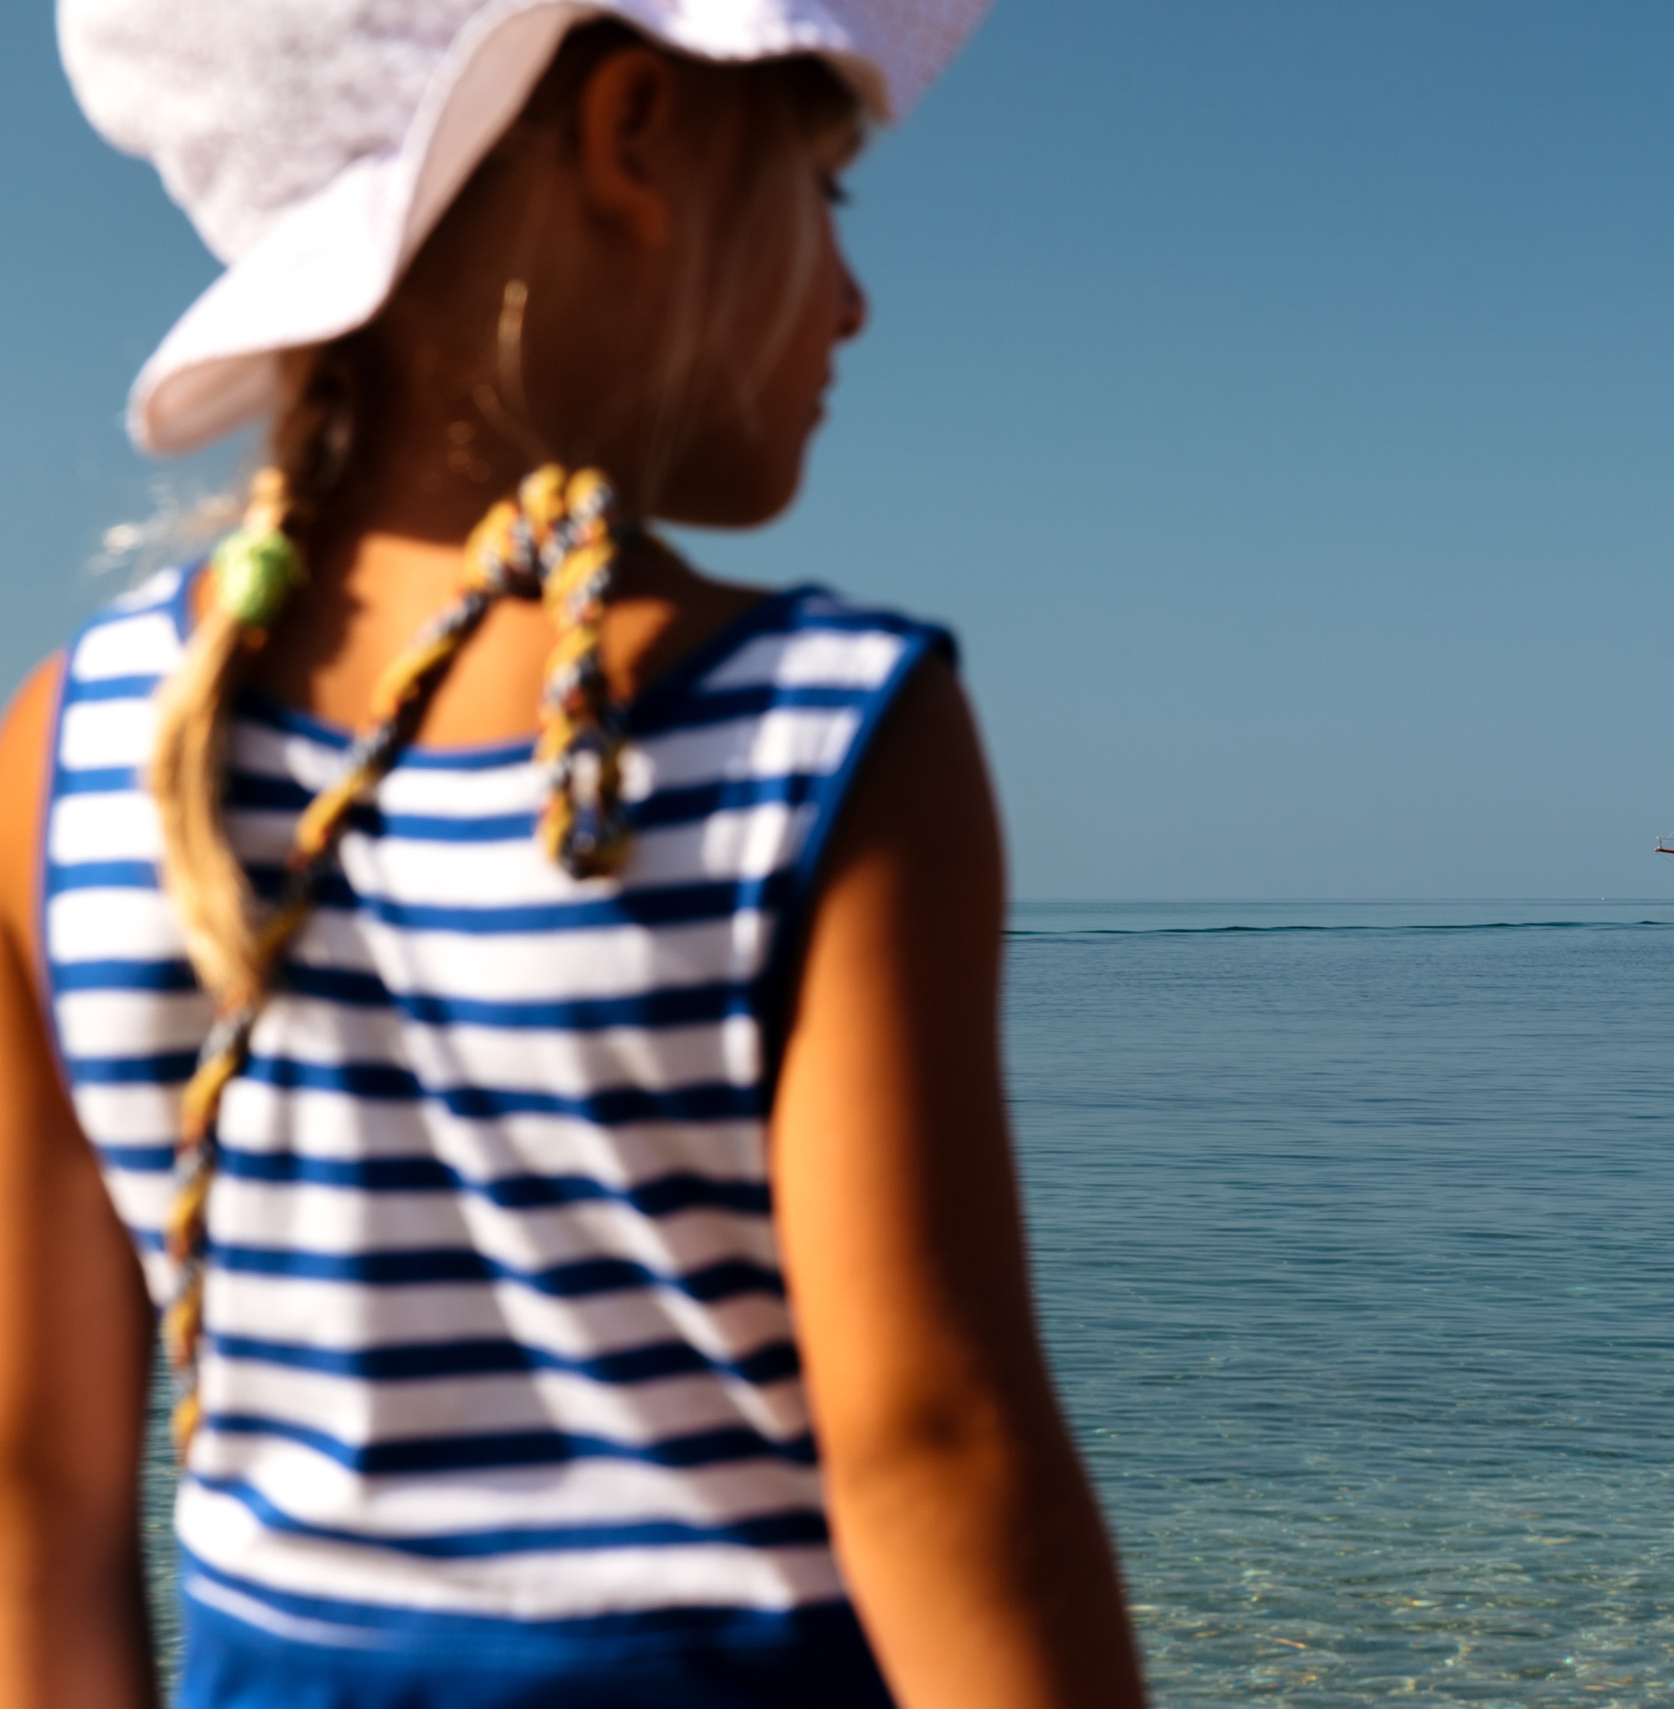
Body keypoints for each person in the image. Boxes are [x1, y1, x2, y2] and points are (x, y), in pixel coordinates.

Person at [0, 3, 1150, 1705]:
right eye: (827, 197)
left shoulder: (66, 747)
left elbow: (37, 1488)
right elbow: (933, 1450)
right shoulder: (820, 730)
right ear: (632, 135)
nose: (851, 299)